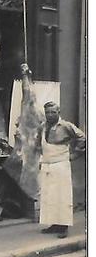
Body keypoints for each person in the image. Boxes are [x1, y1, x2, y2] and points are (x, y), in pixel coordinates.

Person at [38, 101, 86, 239]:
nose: (50, 115)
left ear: (58, 112)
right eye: (47, 112)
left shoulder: (66, 125)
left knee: (62, 196)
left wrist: (75, 154)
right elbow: (38, 143)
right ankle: (54, 224)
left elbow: (82, 137)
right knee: (49, 196)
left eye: (53, 112)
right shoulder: (42, 126)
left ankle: (63, 227)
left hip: (61, 164)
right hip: (47, 163)